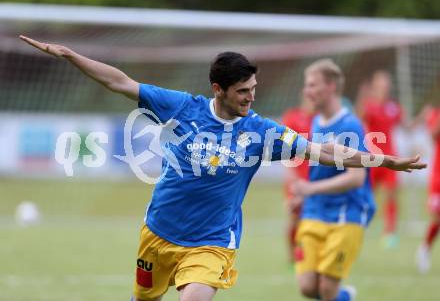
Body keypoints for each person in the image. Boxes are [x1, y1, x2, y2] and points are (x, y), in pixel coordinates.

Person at [19, 35, 426, 301]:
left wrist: (383, 159)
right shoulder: (182, 108)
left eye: (254, 89)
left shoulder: (261, 132)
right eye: (242, 91)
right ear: (218, 89)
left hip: (213, 242)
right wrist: (72, 55)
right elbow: (121, 82)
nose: (252, 97)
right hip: (158, 232)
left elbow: (322, 151)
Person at [291, 59, 375, 301]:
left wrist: (310, 189)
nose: (306, 91)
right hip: (315, 210)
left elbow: (357, 177)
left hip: (346, 212)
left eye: (312, 85)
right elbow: (320, 169)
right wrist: (301, 195)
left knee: (327, 289)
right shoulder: (316, 122)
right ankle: (345, 297)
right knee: (307, 287)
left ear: (330, 87)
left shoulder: (350, 125)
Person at [356, 71, 403, 248]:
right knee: (367, 196)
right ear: (375, 86)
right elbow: (359, 117)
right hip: (373, 158)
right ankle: (358, 225)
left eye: (386, 84)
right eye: (380, 84)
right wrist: (362, 96)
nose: (384, 87)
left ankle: (390, 232)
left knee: (391, 195)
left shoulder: (393, 107)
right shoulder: (368, 105)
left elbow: (404, 124)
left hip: (391, 158)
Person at [282, 94, 314, 264]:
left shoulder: (319, 120)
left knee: (311, 219)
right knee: (295, 218)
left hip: (314, 180)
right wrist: (290, 173)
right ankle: (292, 255)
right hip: (295, 179)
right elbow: (284, 149)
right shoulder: (292, 117)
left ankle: (306, 256)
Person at [416, 102, 440, 273]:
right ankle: (424, 248)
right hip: (438, 177)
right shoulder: (435, 114)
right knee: (437, 218)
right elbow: (433, 134)